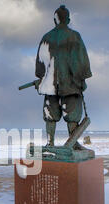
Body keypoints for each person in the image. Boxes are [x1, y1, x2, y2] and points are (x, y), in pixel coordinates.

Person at [35, 5, 92, 148]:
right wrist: (82, 79)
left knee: (50, 113)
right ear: (68, 20)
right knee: (72, 113)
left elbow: (40, 63)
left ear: (55, 20)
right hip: (70, 84)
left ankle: (50, 143)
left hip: (50, 84)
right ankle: (72, 143)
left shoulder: (46, 37)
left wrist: (41, 79)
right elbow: (80, 60)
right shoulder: (74, 36)